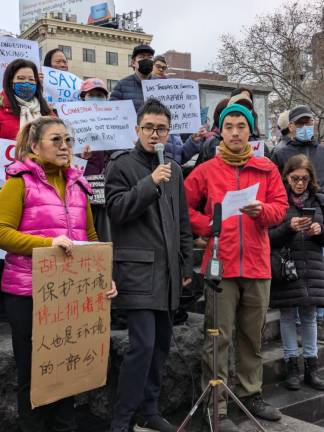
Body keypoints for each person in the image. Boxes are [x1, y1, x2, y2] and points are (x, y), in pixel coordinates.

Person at [0, 116, 117, 432]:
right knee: (34, 373)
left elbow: (91, 237)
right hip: (27, 294)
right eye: (56, 140)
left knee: (66, 369)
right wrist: (49, 243)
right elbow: (2, 233)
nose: (65, 146)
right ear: (35, 146)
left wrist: (104, 276)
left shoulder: (79, 185)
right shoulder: (18, 182)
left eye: (68, 140)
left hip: (70, 293)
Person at [185, 104, 288, 431]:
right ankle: (216, 407)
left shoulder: (266, 168)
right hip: (221, 266)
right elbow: (184, 208)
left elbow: (280, 209)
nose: (234, 132)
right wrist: (209, 225)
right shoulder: (205, 170)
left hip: (257, 265)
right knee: (218, 337)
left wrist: (262, 211)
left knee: (251, 336)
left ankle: (251, 393)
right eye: (228, 126)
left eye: (241, 126)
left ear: (250, 130)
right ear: (220, 130)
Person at [105, 99, 193, 432]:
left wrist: (186, 265)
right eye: (149, 128)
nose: (155, 135)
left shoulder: (175, 168)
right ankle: (122, 419)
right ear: (137, 129)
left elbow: (182, 222)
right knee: (141, 346)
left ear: (169, 132)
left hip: (169, 273)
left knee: (159, 347)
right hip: (137, 272)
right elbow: (117, 211)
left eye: (162, 129)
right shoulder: (121, 165)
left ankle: (150, 409)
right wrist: (150, 182)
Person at [269, 154, 324, 391]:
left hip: (311, 266)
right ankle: (292, 365)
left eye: (304, 178)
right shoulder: (278, 200)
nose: (299, 183)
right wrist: (289, 229)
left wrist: (319, 231)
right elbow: (268, 237)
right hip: (287, 267)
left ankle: (312, 366)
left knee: (310, 317)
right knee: (288, 316)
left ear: (310, 178)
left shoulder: (320, 200)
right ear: (287, 177)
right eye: (295, 178)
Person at [271, 105, 324, 339]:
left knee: (317, 281)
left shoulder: (321, 150)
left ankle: (319, 322)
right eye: (300, 123)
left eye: (308, 122)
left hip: (319, 213)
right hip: (289, 217)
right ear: (291, 126)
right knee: (290, 308)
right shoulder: (281, 152)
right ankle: (293, 355)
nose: (305, 127)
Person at [79, 78, 110, 241]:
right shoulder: (71, 122)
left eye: (100, 95)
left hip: (106, 192)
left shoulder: (113, 122)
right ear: (82, 97)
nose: (96, 98)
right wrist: (81, 157)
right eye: (92, 95)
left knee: (103, 238)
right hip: (81, 192)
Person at [0, 59, 52, 140]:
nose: (26, 83)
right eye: (21, 78)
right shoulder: (2, 110)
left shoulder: (46, 110)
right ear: (10, 81)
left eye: (31, 79)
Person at [110, 44, 155, 112]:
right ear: (133, 63)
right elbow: (112, 110)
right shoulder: (121, 86)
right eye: (142, 57)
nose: (146, 60)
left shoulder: (161, 85)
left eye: (150, 57)